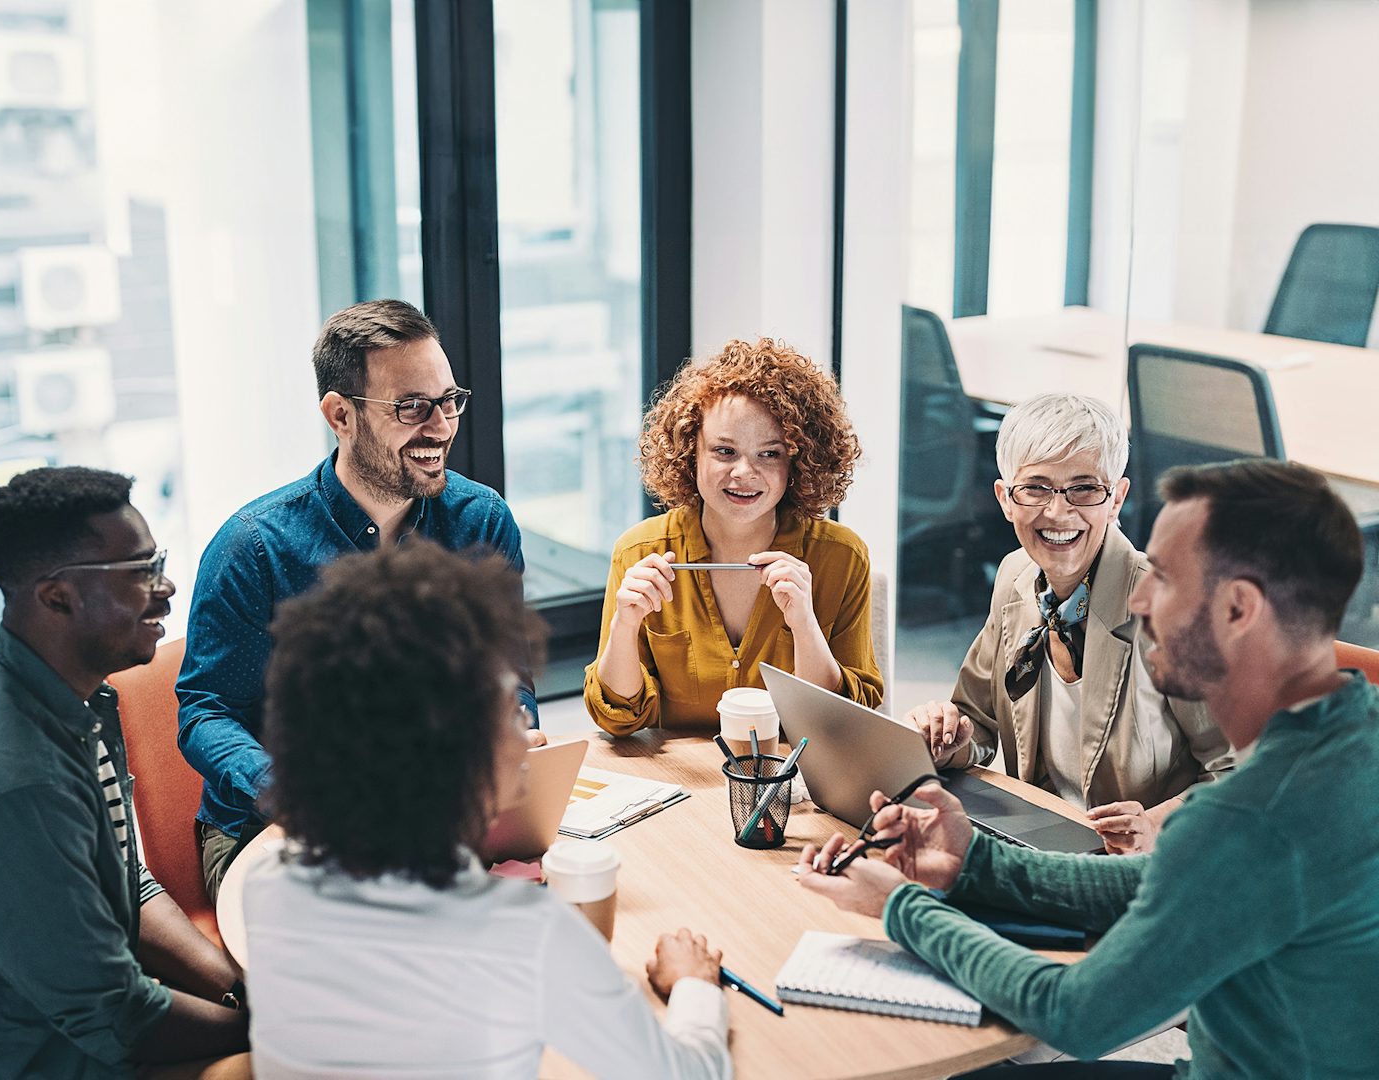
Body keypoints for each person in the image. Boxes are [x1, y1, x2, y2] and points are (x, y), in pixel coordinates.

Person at [796, 459, 1379, 1079]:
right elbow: (1157, 883)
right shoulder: (1352, 730)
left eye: (1164, 576)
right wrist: (974, 861)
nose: (1138, 598)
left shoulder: (1252, 816)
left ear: (1238, 609)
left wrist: (906, 908)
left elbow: (1076, 1014)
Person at [243, 540, 732, 1079]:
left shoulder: (267, 884)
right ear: (448, 746)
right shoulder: (525, 934)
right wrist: (693, 986)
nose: (526, 729)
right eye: (505, 706)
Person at [0, 467, 247, 1080]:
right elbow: (117, 1017)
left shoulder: (69, 695)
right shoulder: (12, 780)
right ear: (56, 596)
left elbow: (125, 884)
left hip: (64, 1021)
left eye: (159, 561)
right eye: (140, 572)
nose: (167, 587)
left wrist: (236, 987)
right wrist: (273, 1027)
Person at [178, 298, 538, 901]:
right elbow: (205, 711)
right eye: (411, 407)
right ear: (340, 415)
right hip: (271, 828)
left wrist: (513, 728)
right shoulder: (255, 547)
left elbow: (510, 677)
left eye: (449, 401)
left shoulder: (480, 521)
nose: (442, 426)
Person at [904, 394, 1232, 853]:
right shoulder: (1015, 576)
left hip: (1142, 871)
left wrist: (1159, 826)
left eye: (1084, 488)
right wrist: (945, 737)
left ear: (1116, 498)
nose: (1058, 513)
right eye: (1036, 487)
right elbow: (977, 722)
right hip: (1038, 845)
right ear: (1005, 499)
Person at [585, 337, 881, 735]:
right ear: (691, 452)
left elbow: (845, 723)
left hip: (793, 784)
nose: (744, 472)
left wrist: (804, 623)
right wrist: (625, 624)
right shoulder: (639, 552)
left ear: (799, 461)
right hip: (681, 784)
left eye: (770, 453)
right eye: (724, 452)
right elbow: (618, 717)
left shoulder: (842, 557)